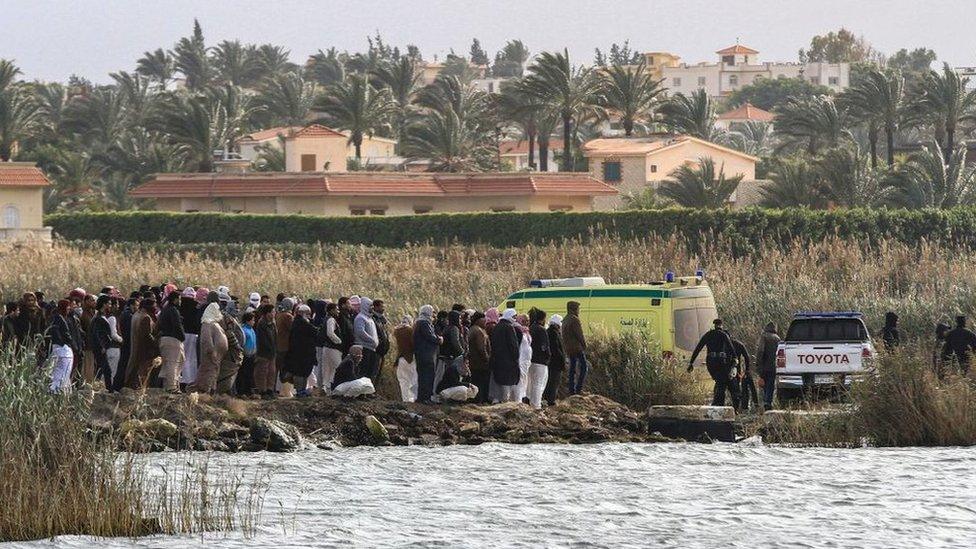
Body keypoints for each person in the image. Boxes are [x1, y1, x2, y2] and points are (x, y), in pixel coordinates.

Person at [688, 318, 737, 406]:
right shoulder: (723, 334)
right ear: (721, 325)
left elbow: (698, 348)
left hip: (710, 363)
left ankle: (717, 404)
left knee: (719, 381)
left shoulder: (708, 334)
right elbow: (731, 348)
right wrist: (734, 360)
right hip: (721, 362)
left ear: (714, 325)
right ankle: (718, 405)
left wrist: (691, 363)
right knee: (721, 383)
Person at [123, 298, 159, 390]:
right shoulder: (145, 317)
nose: (155, 307)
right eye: (154, 305)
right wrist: (156, 343)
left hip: (135, 345)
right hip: (143, 348)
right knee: (142, 369)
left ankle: (130, 384)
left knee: (134, 366)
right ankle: (137, 386)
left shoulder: (136, 314)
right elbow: (147, 335)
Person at [193, 303, 227, 394]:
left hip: (217, 354)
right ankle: (205, 391)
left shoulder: (214, 322)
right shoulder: (207, 323)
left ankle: (211, 389)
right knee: (208, 371)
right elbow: (206, 339)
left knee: (214, 371)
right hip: (211, 354)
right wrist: (211, 350)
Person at [286, 304, 318, 397]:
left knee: (304, 372)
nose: (309, 315)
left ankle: (302, 390)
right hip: (301, 352)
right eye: (307, 313)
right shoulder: (300, 322)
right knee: (300, 372)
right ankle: (300, 391)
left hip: (303, 352)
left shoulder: (300, 322)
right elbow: (314, 331)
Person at [489, 309, 521, 402]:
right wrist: (516, 357)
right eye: (514, 317)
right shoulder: (509, 327)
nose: (514, 319)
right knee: (507, 383)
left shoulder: (497, 326)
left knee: (500, 382)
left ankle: (498, 400)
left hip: (498, 359)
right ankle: (505, 402)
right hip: (508, 361)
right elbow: (513, 345)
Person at [157, 290, 186, 394]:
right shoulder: (173, 310)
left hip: (164, 339)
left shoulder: (164, 310)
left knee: (169, 363)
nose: (180, 301)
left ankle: (167, 385)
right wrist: (182, 337)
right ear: (175, 299)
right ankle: (172, 387)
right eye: (179, 299)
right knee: (173, 363)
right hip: (173, 340)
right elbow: (177, 325)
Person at [413, 305, 442, 403]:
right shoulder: (424, 323)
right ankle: (425, 398)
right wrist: (439, 339)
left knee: (424, 376)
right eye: (433, 312)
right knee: (427, 376)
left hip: (424, 354)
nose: (434, 315)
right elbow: (430, 337)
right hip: (426, 355)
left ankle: (424, 397)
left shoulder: (422, 322)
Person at [216, 296, 244, 394]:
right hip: (231, 349)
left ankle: (232, 391)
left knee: (234, 372)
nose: (237, 310)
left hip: (236, 350)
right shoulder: (226, 318)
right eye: (235, 308)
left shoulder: (234, 318)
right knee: (228, 371)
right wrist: (237, 346)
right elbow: (229, 333)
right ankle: (225, 392)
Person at [48, 300, 76, 393]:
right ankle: (58, 393)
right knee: (63, 374)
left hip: (58, 349)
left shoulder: (55, 317)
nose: (69, 308)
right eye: (68, 306)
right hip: (64, 351)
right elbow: (61, 333)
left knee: (57, 374)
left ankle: (56, 392)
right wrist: (66, 342)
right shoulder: (59, 318)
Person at [316, 302, 344, 393]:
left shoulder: (326, 319)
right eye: (337, 309)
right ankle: (338, 389)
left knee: (327, 369)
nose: (338, 311)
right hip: (333, 348)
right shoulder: (331, 320)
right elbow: (330, 333)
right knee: (339, 368)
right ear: (332, 310)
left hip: (326, 348)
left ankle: (326, 388)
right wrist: (339, 341)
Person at [89, 295, 115, 390]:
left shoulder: (100, 316)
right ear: (104, 304)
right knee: (105, 369)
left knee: (102, 368)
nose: (110, 305)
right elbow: (98, 334)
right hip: (100, 347)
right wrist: (102, 346)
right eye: (109, 303)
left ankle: (103, 388)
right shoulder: (98, 318)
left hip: (101, 347)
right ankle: (108, 389)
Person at [562, 301, 588, 395]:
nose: (579, 311)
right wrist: (584, 345)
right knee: (584, 367)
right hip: (576, 347)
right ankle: (579, 389)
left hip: (568, 348)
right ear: (574, 309)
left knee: (572, 369)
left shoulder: (565, 319)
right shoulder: (574, 319)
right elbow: (579, 334)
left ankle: (571, 390)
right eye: (578, 308)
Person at [527, 308, 550, 409]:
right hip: (540, 361)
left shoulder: (531, 328)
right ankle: (536, 404)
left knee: (531, 383)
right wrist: (548, 355)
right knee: (539, 383)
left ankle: (531, 402)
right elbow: (544, 346)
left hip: (531, 359)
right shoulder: (541, 329)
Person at [754, 322, 781, 410]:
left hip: (764, 365)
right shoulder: (778, 338)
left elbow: (760, 351)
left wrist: (758, 364)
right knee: (770, 384)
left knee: (764, 384)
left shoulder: (764, 336)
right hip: (773, 365)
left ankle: (766, 402)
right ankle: (768, 401)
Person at [437, 310, 465, 392]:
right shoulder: (454, 328)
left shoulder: (447, 327)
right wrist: (462, 352)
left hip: (446, 356)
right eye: (459, 318)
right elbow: (455, 342)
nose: (460, 320)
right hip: (451, 357)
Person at [254, 304, 278, 399]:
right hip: (263, 353)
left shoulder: (272, 323)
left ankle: (270, 390)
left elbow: (275, 336)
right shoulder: (261, 323)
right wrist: (269, 348)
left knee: (272, 372)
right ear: (267, 313)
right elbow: (263, 340)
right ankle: (262, 391)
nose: (274, 313)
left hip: (272, 352)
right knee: (262, 372)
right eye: (272, 312)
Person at [354, 297, 380, 382]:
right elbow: (360, 331)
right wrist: (372, 340)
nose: (372, 307)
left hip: (372, 348)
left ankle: (366, 392)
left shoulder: (370, 319)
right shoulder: (360, 318)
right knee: (363, 371)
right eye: (370, 305)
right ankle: (360, 393)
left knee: (370, 372)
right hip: (364, 348)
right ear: (365, 306)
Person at [467, 311, 491, 403]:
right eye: (483, 319)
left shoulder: (474, 329)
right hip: (480, 363)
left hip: (474, 362)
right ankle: (479, 400)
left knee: (476, 381)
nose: (485, 321)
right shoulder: (478, 331)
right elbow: (481, 348)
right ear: (478, 320)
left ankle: (477, 400)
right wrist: (487, 359)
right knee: (480, 382)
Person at [180, 287, 201, 389]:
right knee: (191, 358)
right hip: (193, 335)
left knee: (181, 358)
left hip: (182, 334)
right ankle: (190, 380)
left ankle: (180, 380)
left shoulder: (180, 306)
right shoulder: (196, 307)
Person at [393, 314, 417, 402]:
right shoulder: (410, 330)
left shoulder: (396, 330)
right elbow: (413, 343)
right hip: (410, 357)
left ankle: (405, 399)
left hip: (400, 357)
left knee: (403, 381)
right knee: (413, 379)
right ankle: (412, 399)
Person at [731, 334, 757, 412]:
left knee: (733, 388)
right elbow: (747, 357)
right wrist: (747, 369)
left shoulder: (725, 343)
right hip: (737, 368)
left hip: (727, 368)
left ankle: (737, 407)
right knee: (740, 387)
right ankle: (741, 407)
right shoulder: (739, 344)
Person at [543, 314, 565, 406]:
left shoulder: (549, 332)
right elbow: (556, 349)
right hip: (555, 363)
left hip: (551, 362)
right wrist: (562, 360)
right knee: (553, 381)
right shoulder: (553, 333)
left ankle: (548, 398)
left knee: (550, 381)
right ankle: (550, 400)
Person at [237, 311, 258, 397]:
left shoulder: (252, 329)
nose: (254, 322)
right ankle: (242, 392)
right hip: (245, 355)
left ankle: (249, 391)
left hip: (252, 355)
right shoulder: (244, 330)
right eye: (252, 320)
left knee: (250, 374)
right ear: (247, 321)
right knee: (243, 374)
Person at [372, 299, 391, 385]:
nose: (383, 309)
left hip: (382, 351)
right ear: (375, 307)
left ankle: (373, 392)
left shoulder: (381, 319)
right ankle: (369, 392)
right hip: (376, 350)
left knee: (378, 373)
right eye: (381, 307)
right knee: (373, 372)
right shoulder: (373, 319)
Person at [515, 313, 533, 402]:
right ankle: (518, 400)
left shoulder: (525, 331)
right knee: (520, 380)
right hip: (520, 360)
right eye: (524, 320)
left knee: (524, 380)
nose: (527, 322)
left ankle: (522, 398)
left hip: (526, 361)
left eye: (528, 320)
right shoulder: (518, 330)